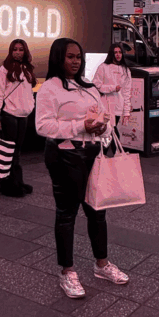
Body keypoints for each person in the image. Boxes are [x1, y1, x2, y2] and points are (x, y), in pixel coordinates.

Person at [35, 38, 130, 298]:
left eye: (78, 57)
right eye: (70, 57)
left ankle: (102, 264)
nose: (75, 61)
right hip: (65, 157)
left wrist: (104, 127)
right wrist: (80, 127)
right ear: (58, 58)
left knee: (98, 212)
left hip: (93, 154)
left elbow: (103, 115)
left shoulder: (88, 86)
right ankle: (67, 272)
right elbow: (42, 127)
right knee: (67, 214)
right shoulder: (50, 89)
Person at [0, 39, 36, 198]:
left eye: (21, 49)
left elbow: (29, 91)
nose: (18, 52)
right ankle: (8, 186)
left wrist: (31, 105)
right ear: (11, 51)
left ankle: (18, 181)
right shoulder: (4, 69)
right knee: (9, 152)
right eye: (15, 49)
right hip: (9, 115)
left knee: (17, 152)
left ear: (25, 51)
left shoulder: (28, 68)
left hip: (23, 116)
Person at [93, 43, 132, 133]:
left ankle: (113, 147)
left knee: (112, 133)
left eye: (120, 52)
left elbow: (126, 93)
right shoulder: (103, 67)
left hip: (118, 108)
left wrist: (126, 113)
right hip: (104, 106)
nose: (118, 55)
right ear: (111, 54)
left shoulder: (126, 70)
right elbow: (96, 85)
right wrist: (112, 88)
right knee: (108, 132)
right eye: (115, 52)